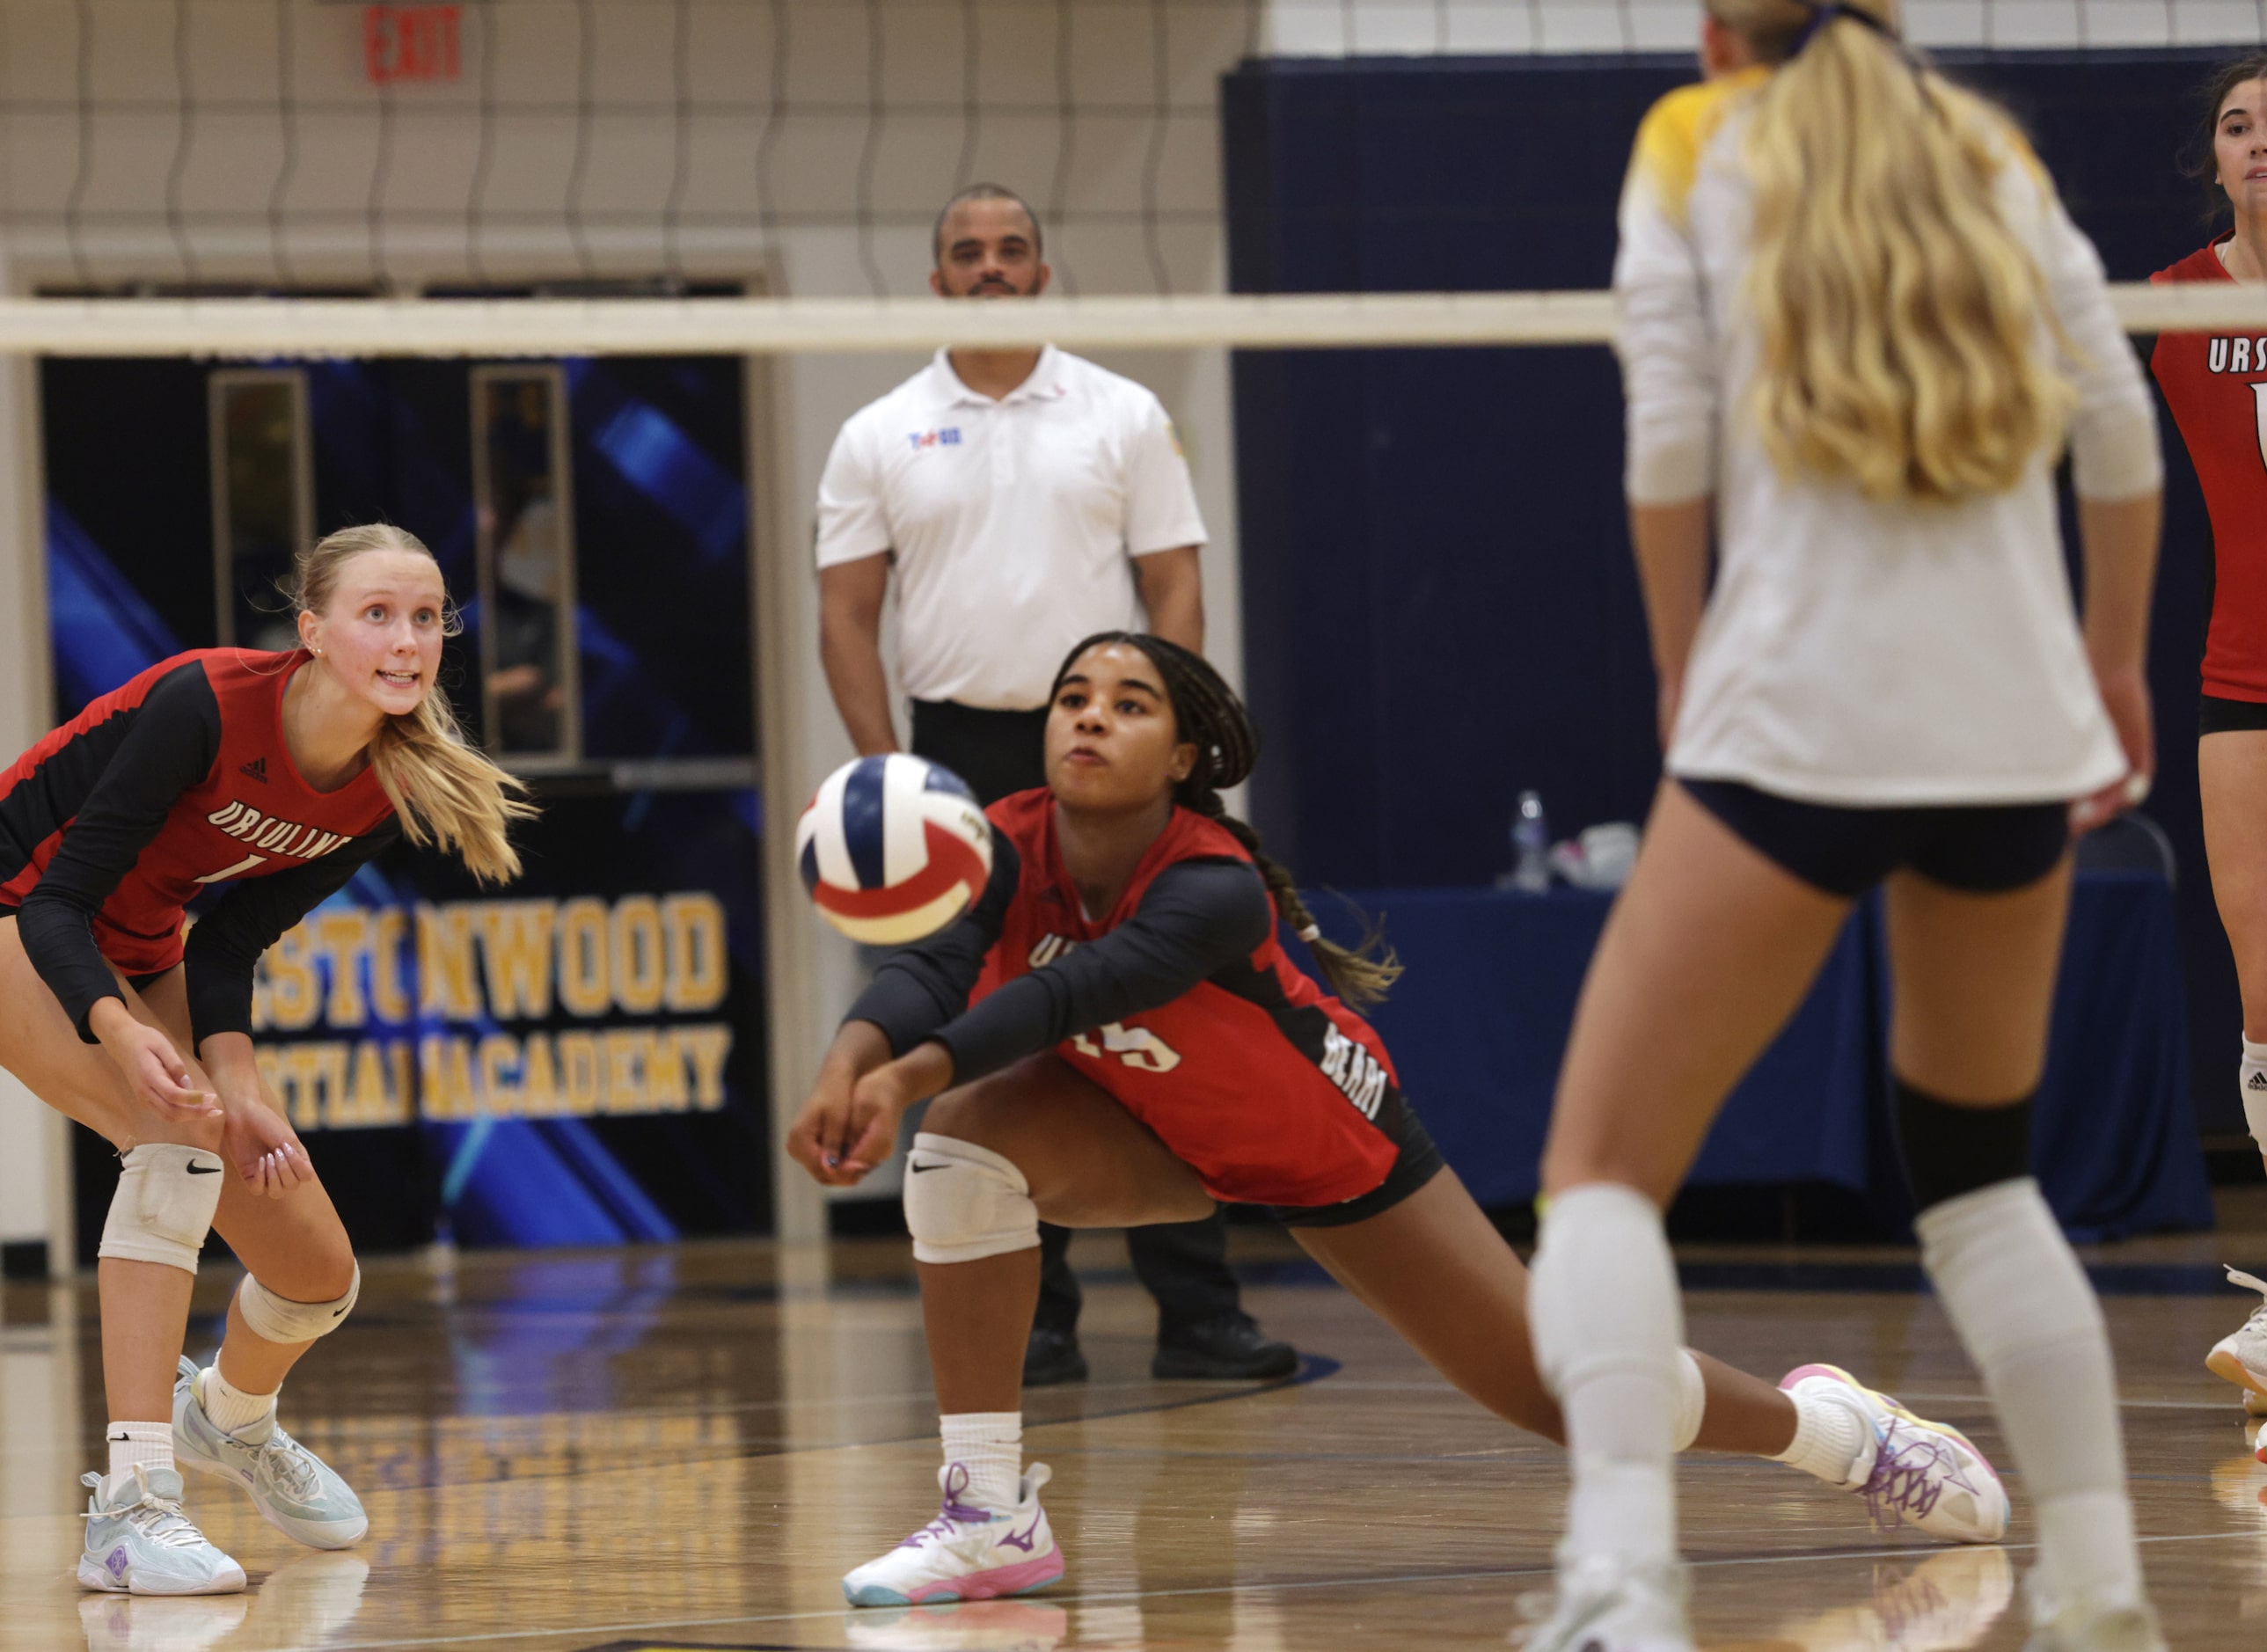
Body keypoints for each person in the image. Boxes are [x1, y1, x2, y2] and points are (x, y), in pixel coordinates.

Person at [786, 632, 2011, 1610]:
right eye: (1071, 695)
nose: (1089, 714)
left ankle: (1839, 1433)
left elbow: (1074, 991)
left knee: (1561, 1391)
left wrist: (900, 1073)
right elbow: (932, 967)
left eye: (1129, 700)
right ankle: (989, 1510)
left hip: (1322, 1145)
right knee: (959, 1143)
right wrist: (857, 1059)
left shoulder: (1208, 883)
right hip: (1142, 1126)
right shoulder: (999, 845)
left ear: (1183, 757)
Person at [1523, 4, 2165, 1650]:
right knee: (1980, 1183)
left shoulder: (1694, 138)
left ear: (1718, 32)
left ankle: (1617, 1585)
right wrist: (2106, 665)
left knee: (1599, 1172)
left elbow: (1664, 439)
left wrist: (1681, 671)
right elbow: (2118, 428)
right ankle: (2100, 1591)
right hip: (2009, 728)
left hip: (1797, 716)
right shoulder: (1990, 151)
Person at [815, 182, 1292, 1385]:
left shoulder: (1122, 412)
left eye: (1011, 250)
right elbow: (845, 616)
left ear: (1042, 271)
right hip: (955, 758)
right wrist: (889, 779)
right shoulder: (879, 428)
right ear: (937, 280)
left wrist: (1166, 725)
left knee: (1165, 1011)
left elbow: (1174, 586)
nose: (989, 266)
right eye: (966, 251)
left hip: (1112, 741)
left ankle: (1202, 1314)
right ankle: (1034, 1318)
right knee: (975, 1014)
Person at [11, 523, 534, 1593]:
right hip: (20, 912)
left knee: (312, 1273)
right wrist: (123, 1032)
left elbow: (234, 936)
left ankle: (232, 1418)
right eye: (376, 614)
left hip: (140, 944)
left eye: (427, 618)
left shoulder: (390, 783)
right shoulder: (204, 704)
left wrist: (239, 1082)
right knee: (173, 1136)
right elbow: (58, 901)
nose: (406, 640)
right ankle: (130, 1507)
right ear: (311, 629)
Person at [2146, 52, 2267, 1421]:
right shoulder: (2168, 301)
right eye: (2235, 128)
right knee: (2261, 985)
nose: (2255, 144)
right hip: (2240, 678)